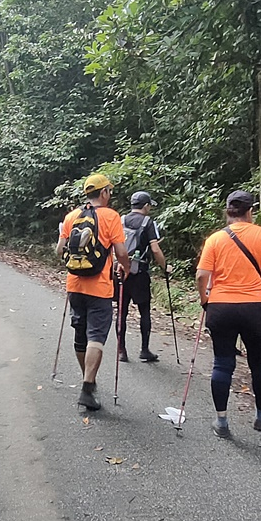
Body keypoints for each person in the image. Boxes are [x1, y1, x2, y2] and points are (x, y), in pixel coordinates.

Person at [195, 191, 261, 438]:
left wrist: (204, 300)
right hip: (255, 307)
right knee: (258, 364)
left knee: (222, 362)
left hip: (221, 307)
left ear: (228, 211)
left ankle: (221, 421)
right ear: (250, 211)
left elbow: (201, 275)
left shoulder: (215, 239)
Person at [55, 173, 130, 412]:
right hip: (100, 288)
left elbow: (59, 251)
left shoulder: (71, 217)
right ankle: (87, 387)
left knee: (80, 336)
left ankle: (89, 380)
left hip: (74, 286)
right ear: (104, 192)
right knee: (96, 336)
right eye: (109, 190)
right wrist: (124, 268)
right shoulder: (111, 216)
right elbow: (121, 252)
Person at [115, 191, 169, 363]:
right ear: (145, 205)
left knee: (121, 312)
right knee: (144, 311)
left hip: (121, 272)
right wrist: (165, 266)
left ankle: (121, 350)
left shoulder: (120, 220)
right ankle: (144, 350)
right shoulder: (148, 223)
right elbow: (155, 249)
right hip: (140, 274)